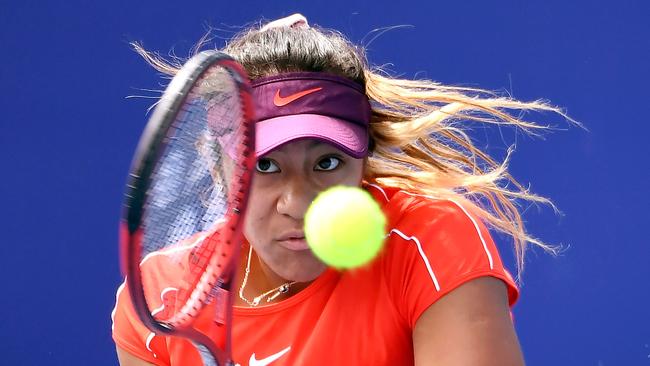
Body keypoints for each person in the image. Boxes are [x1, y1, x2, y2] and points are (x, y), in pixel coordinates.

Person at [112, 14, 569, 366]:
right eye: (265, 165)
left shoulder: (430, 242)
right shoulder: (162, 298)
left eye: (327, 163)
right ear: (218, 171)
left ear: (363, 162)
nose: (298, 203)